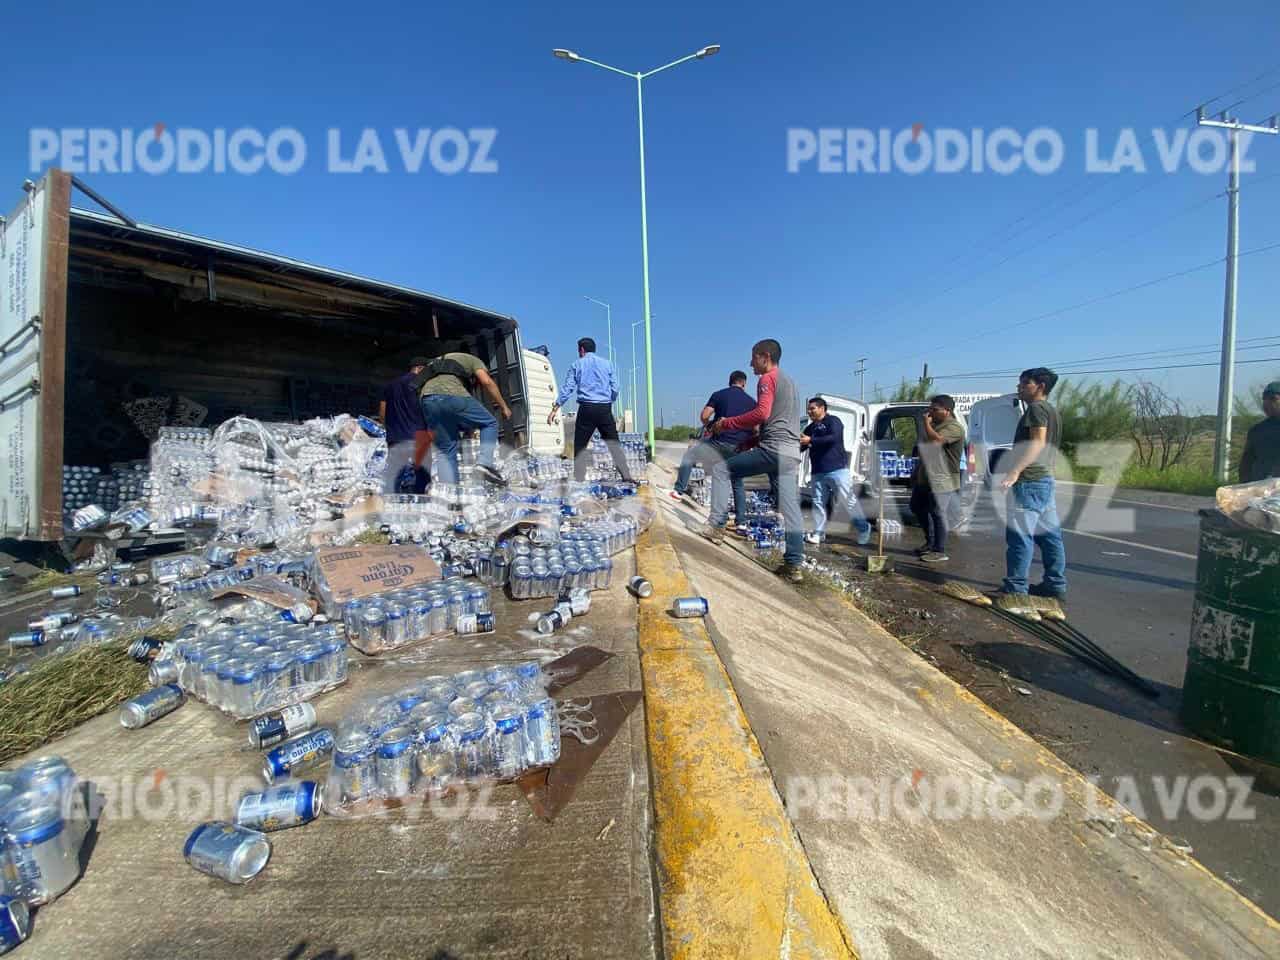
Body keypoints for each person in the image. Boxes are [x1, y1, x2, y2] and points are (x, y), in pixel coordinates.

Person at [701, 338, 806, 583]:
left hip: (773, 450)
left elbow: (762, 414)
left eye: (753, 358)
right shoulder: (791, 382)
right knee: (790, 508)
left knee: (721, 469)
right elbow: (773, 423)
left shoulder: (766, 379)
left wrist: (726, 423)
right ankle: (794, 565)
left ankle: (716, 527)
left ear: (765, 356)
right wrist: (747, 443)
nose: (750, 364)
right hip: (790, 454)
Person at [999, 367, 1066, 599]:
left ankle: (1016, 589)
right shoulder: (1051, 411)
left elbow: (1037, 444)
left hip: (1029, 480)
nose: (1019, 387)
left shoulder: (1036, 410)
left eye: (1025, 383)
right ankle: (1055, 585)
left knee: (1020, 536)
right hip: (1044, 479)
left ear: (1041, 386)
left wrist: (1015, 471)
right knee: (1050, 536)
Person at [669, 371, 754, 522]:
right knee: (737, 480)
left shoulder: (719, 395)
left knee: (690, 455)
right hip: (738, 447)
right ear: (744, 383)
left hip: (718, 443)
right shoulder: (751, 402)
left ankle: (678, 491)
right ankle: (741, 522)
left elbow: (704, 415)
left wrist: (709, 426)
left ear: (730, 382)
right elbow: (755, 429)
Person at [417, 351, 511, 487]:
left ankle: (449, 495)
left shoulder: (437, 361)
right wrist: (504, 407)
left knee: (446, 450)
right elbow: (486, 381)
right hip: (451, 393)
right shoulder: (474, 361)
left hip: (427, 399)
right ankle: (484, 464)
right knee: (489, 423)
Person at [548, 338, 635, 483]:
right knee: (614, 444)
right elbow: (616, 387)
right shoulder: (607, 364)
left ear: (581, 350)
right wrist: (609, 400)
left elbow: (568, 389)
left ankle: (580, 479)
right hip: (604, 408)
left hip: (586, 408)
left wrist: (555, 408)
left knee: (580, 445)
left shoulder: (577, 364)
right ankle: (626, 476)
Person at [801, 396, 871, 546]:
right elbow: (802, 445)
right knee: (818, 503)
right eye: (808, 409)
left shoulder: (833, 421)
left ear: (822, 408)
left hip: (837, 470)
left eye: (812, 408)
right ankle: (819, 533)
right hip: (818, 472)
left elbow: (833, 438)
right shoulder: (810, 428)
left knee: (848, 501)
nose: (809, 411)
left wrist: (811, 441)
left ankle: (864, 528)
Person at [909, 394, 966, 563]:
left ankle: (939, 550)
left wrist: (926, 424)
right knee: (917, 506)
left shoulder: (954, 427)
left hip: (943, 477)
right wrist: (916, 471)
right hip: (926, 474)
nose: (930, 412)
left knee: (937, 512)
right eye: (930, 408)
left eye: (935, 409)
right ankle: (930, 541)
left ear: (947, 411)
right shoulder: (934, 425)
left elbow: (939, 440)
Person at [380, 357, 432, 494]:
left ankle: (391, 505)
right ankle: (421, 504)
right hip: (418, 435)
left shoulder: (390, 385)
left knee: (394, 474)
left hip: (395, 437)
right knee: (423, 476)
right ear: (420, 368)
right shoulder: (422, 384)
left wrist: (388, 428)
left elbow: (382, 410)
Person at [1238, 381, 1280, 483]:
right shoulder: (1257, 431)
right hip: (1261, 490)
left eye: (1273, 399)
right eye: (1264, 399)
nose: (1267, 403)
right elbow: (1246, 463)